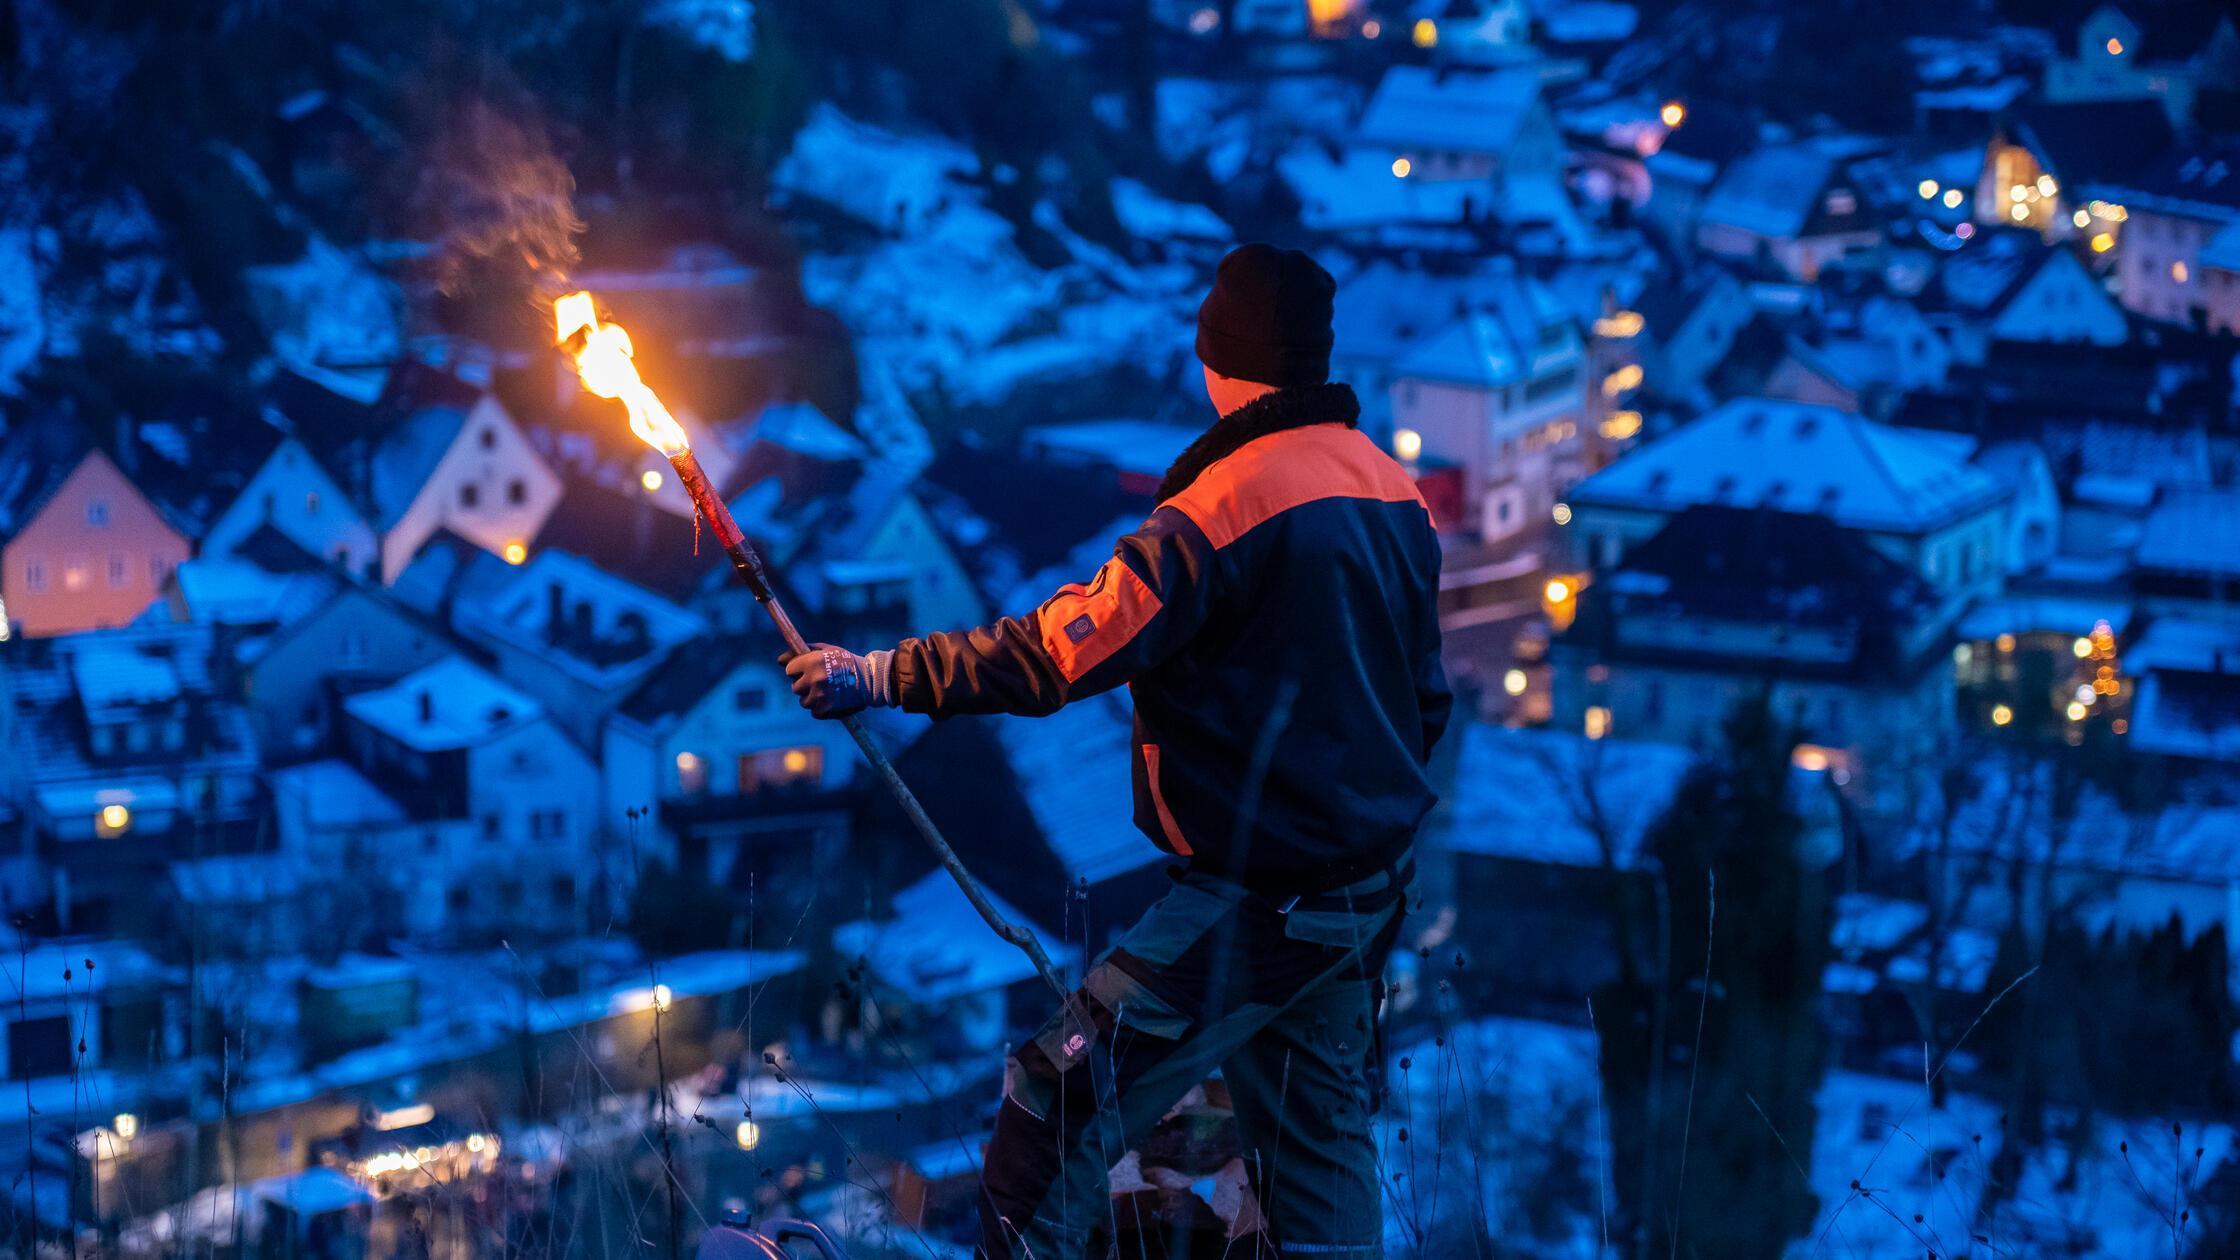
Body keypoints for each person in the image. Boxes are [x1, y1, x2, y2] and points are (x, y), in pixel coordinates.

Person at [783, 243, 1450, 1259]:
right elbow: (1426, 704)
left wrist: (875, 676)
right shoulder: (1391, 492)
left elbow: (1057, 652)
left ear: (1213, 356)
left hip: (1255, 899)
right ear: (1314, 359)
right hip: (1364, 894)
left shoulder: (1223, 504)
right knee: (1317, 1152)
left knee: (1053, 1103)